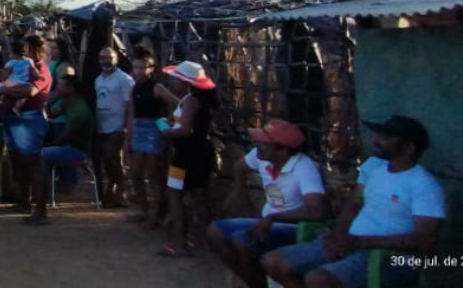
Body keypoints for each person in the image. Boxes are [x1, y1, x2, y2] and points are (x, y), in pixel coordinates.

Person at [262, 115, 445, 288]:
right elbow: (355, 203)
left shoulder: (424, 185)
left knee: (318, 279)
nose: (376, 140)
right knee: (272, 262)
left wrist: (362, 242)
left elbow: (425, 240)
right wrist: (340, 233)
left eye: (386, 137)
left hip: (388, 257)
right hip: (351, 241)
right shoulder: (374, 166)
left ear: (408, 148)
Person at [210, 119, 329, 288]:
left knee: (242, 241)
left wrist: (273, 217)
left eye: (264, 143)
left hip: (294, 227)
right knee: (216, 231)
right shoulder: (262, 157)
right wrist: (243, 200)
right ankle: (255, 282)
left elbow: (317, 211)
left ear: (282, 149)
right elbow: (239, 168)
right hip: (267, 221)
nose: (258, 144)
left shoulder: (303, 168)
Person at [157, 61, 219, 258]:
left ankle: (180, 243)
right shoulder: (201, 100)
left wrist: (165, 132)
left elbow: (185, 130)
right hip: (200, 154)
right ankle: (204, 241)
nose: (173, 81)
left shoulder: (191, 101)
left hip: (185, 156)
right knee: (200, 196)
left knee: (175, 195)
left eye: (177, 78)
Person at [0, 40, 54, 225]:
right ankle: (25, 202)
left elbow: (29, 91)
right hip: (14, 118)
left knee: (33, 161)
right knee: (18, 160)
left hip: (28, 118)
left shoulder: (39, 68)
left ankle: (40, 210)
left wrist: (5, 89)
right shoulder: (22, 65)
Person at [125, 46, 172, 227]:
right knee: (136, 172)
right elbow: (132, 113)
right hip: (138, 127)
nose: (138, 71)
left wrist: (164, 123)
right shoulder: (134, 87)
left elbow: (177, 105)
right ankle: (143, 209)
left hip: (153, 128)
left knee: (153, 173)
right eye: (135, 67)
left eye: (142, 67)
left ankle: (155, 213)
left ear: (151, 69)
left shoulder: (157, 88)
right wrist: (128, 135)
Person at [39, 73, 95, 219]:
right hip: (67, 146)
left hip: (76, 150)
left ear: (71, 88)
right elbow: (51, 115)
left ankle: (41, 195)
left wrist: (45, 146)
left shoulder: (79, 110)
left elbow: (63, 139)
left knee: (40, 155)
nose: (57, 89)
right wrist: (47, 102)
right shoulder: (67, 102)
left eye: (61, 86)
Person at [95, 48, 134, 208]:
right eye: (102, 58)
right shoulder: (98, 79)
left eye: (109, 58)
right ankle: (112, 192)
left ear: (116, 59)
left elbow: (129, 105)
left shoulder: (124, 79)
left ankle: (122, 191)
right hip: (101, 126)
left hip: (118, 126)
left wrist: (127, 126)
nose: (106, 61)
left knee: (114, 158)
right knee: (108, 161)